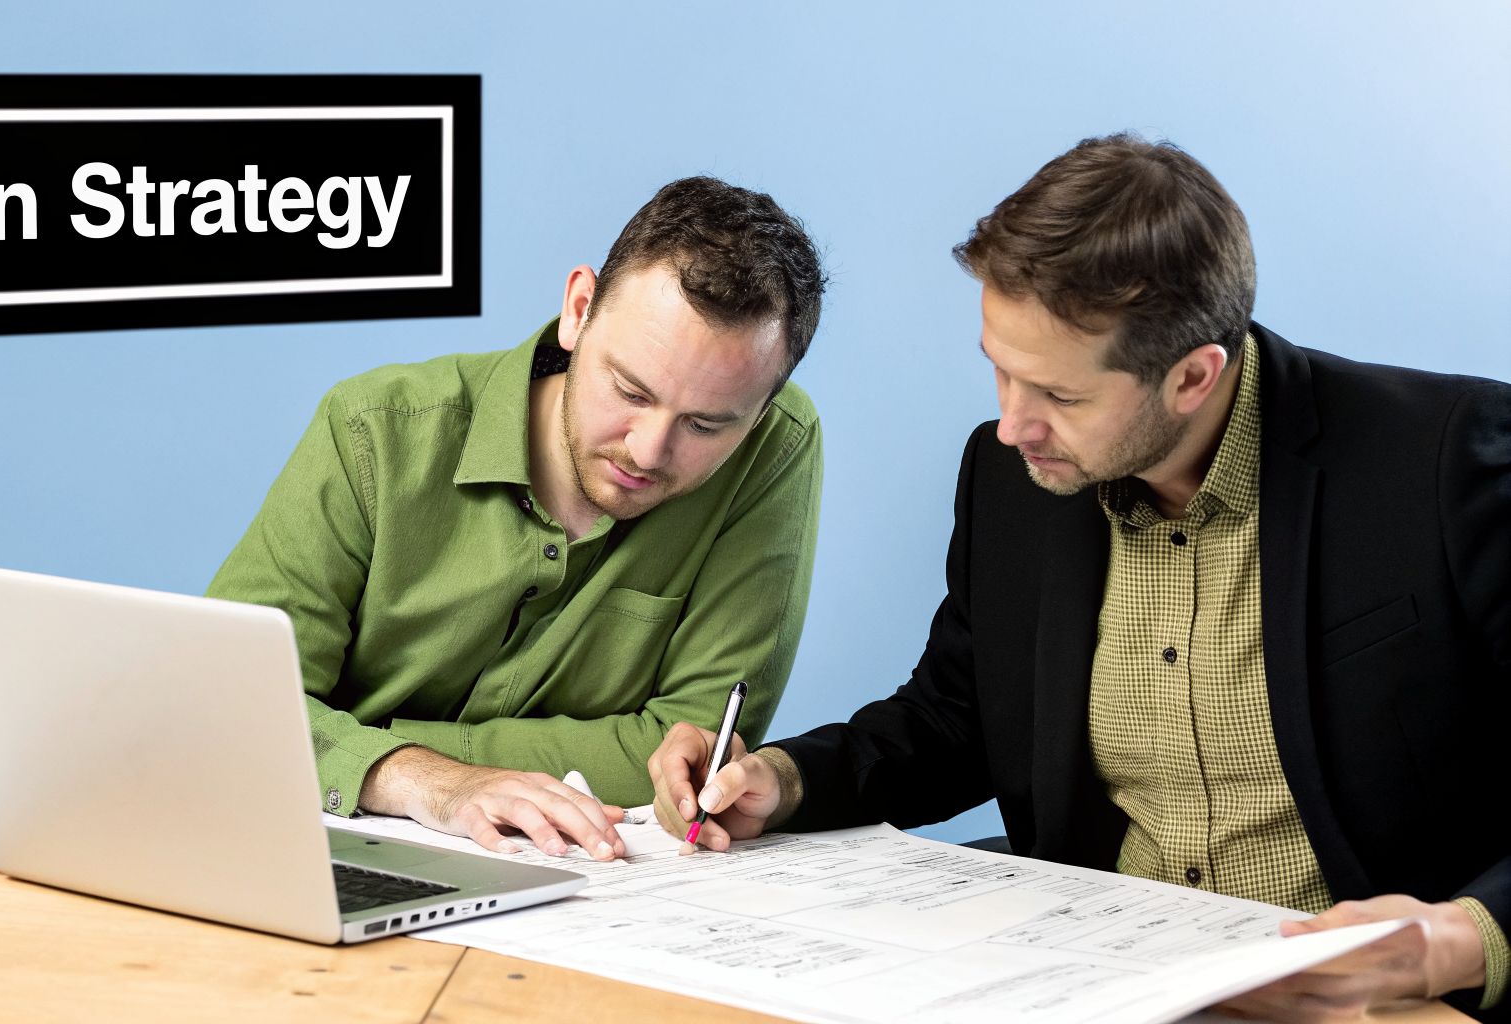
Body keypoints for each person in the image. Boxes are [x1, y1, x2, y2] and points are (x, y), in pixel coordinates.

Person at [648, 135, 1510, 1020]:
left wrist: (1459, 941)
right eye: (999, 366)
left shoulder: (1445, 462)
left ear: (1192, 376)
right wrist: (784, 780)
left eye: (1059, 396)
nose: (1012, 424)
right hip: (1109, 986)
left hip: (1381, 1004)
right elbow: (956, 718)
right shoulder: (1014, 476)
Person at [210, 176, 827, 864]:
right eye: (629, 390)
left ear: (761, 409)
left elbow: (684, 757)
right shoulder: (373, 433)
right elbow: (227, 702)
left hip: (589, 886)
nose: (649, 450)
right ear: (579, 309)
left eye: (707, 424)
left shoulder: (776, 449)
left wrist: (353, 740)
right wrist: (420, 778)